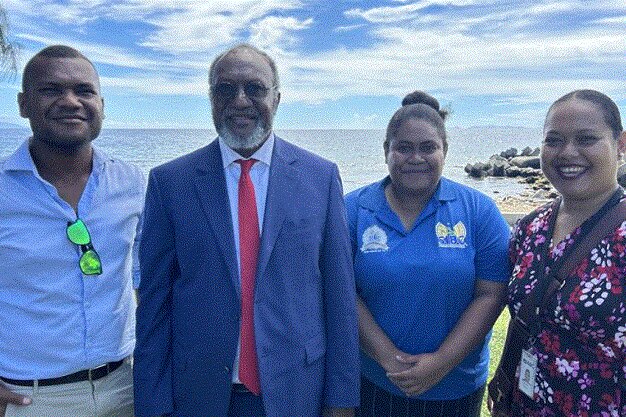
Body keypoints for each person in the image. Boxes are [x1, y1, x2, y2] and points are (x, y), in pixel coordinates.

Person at [133, 43, 359, 417]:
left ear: (277, 98)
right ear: (211, 99)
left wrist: (341, 401)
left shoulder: (321, 178)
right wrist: (152, 405)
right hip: (198, 395)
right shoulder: (169, 183)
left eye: (254, 88)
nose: (240, 100)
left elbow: (338, 298)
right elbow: (154, 306)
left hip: (296, 390)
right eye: (226, 89)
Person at [345, 91, 510, 417]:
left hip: (457, 386)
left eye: (428, 147)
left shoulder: (478, 210)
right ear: (386, 152)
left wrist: (442, 362)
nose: (415, 157)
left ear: (445, 151)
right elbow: (343, 292)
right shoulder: (352, 209)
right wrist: (388, 358)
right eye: (403, 147)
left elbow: (492, 293)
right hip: (376, 381)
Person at [0, 45, 143, 417]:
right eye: (50, 90)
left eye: (84, 90)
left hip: (126, 388)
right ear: (22, 105)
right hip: (30, 399)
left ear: (101, 104)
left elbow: (149, 278)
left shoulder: (133, 184)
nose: (70, 101)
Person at [505, 90, 626, 416]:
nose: (567, 153)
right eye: (553, 140)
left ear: (620, 144)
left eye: (586, 139)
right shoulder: (529, 229)